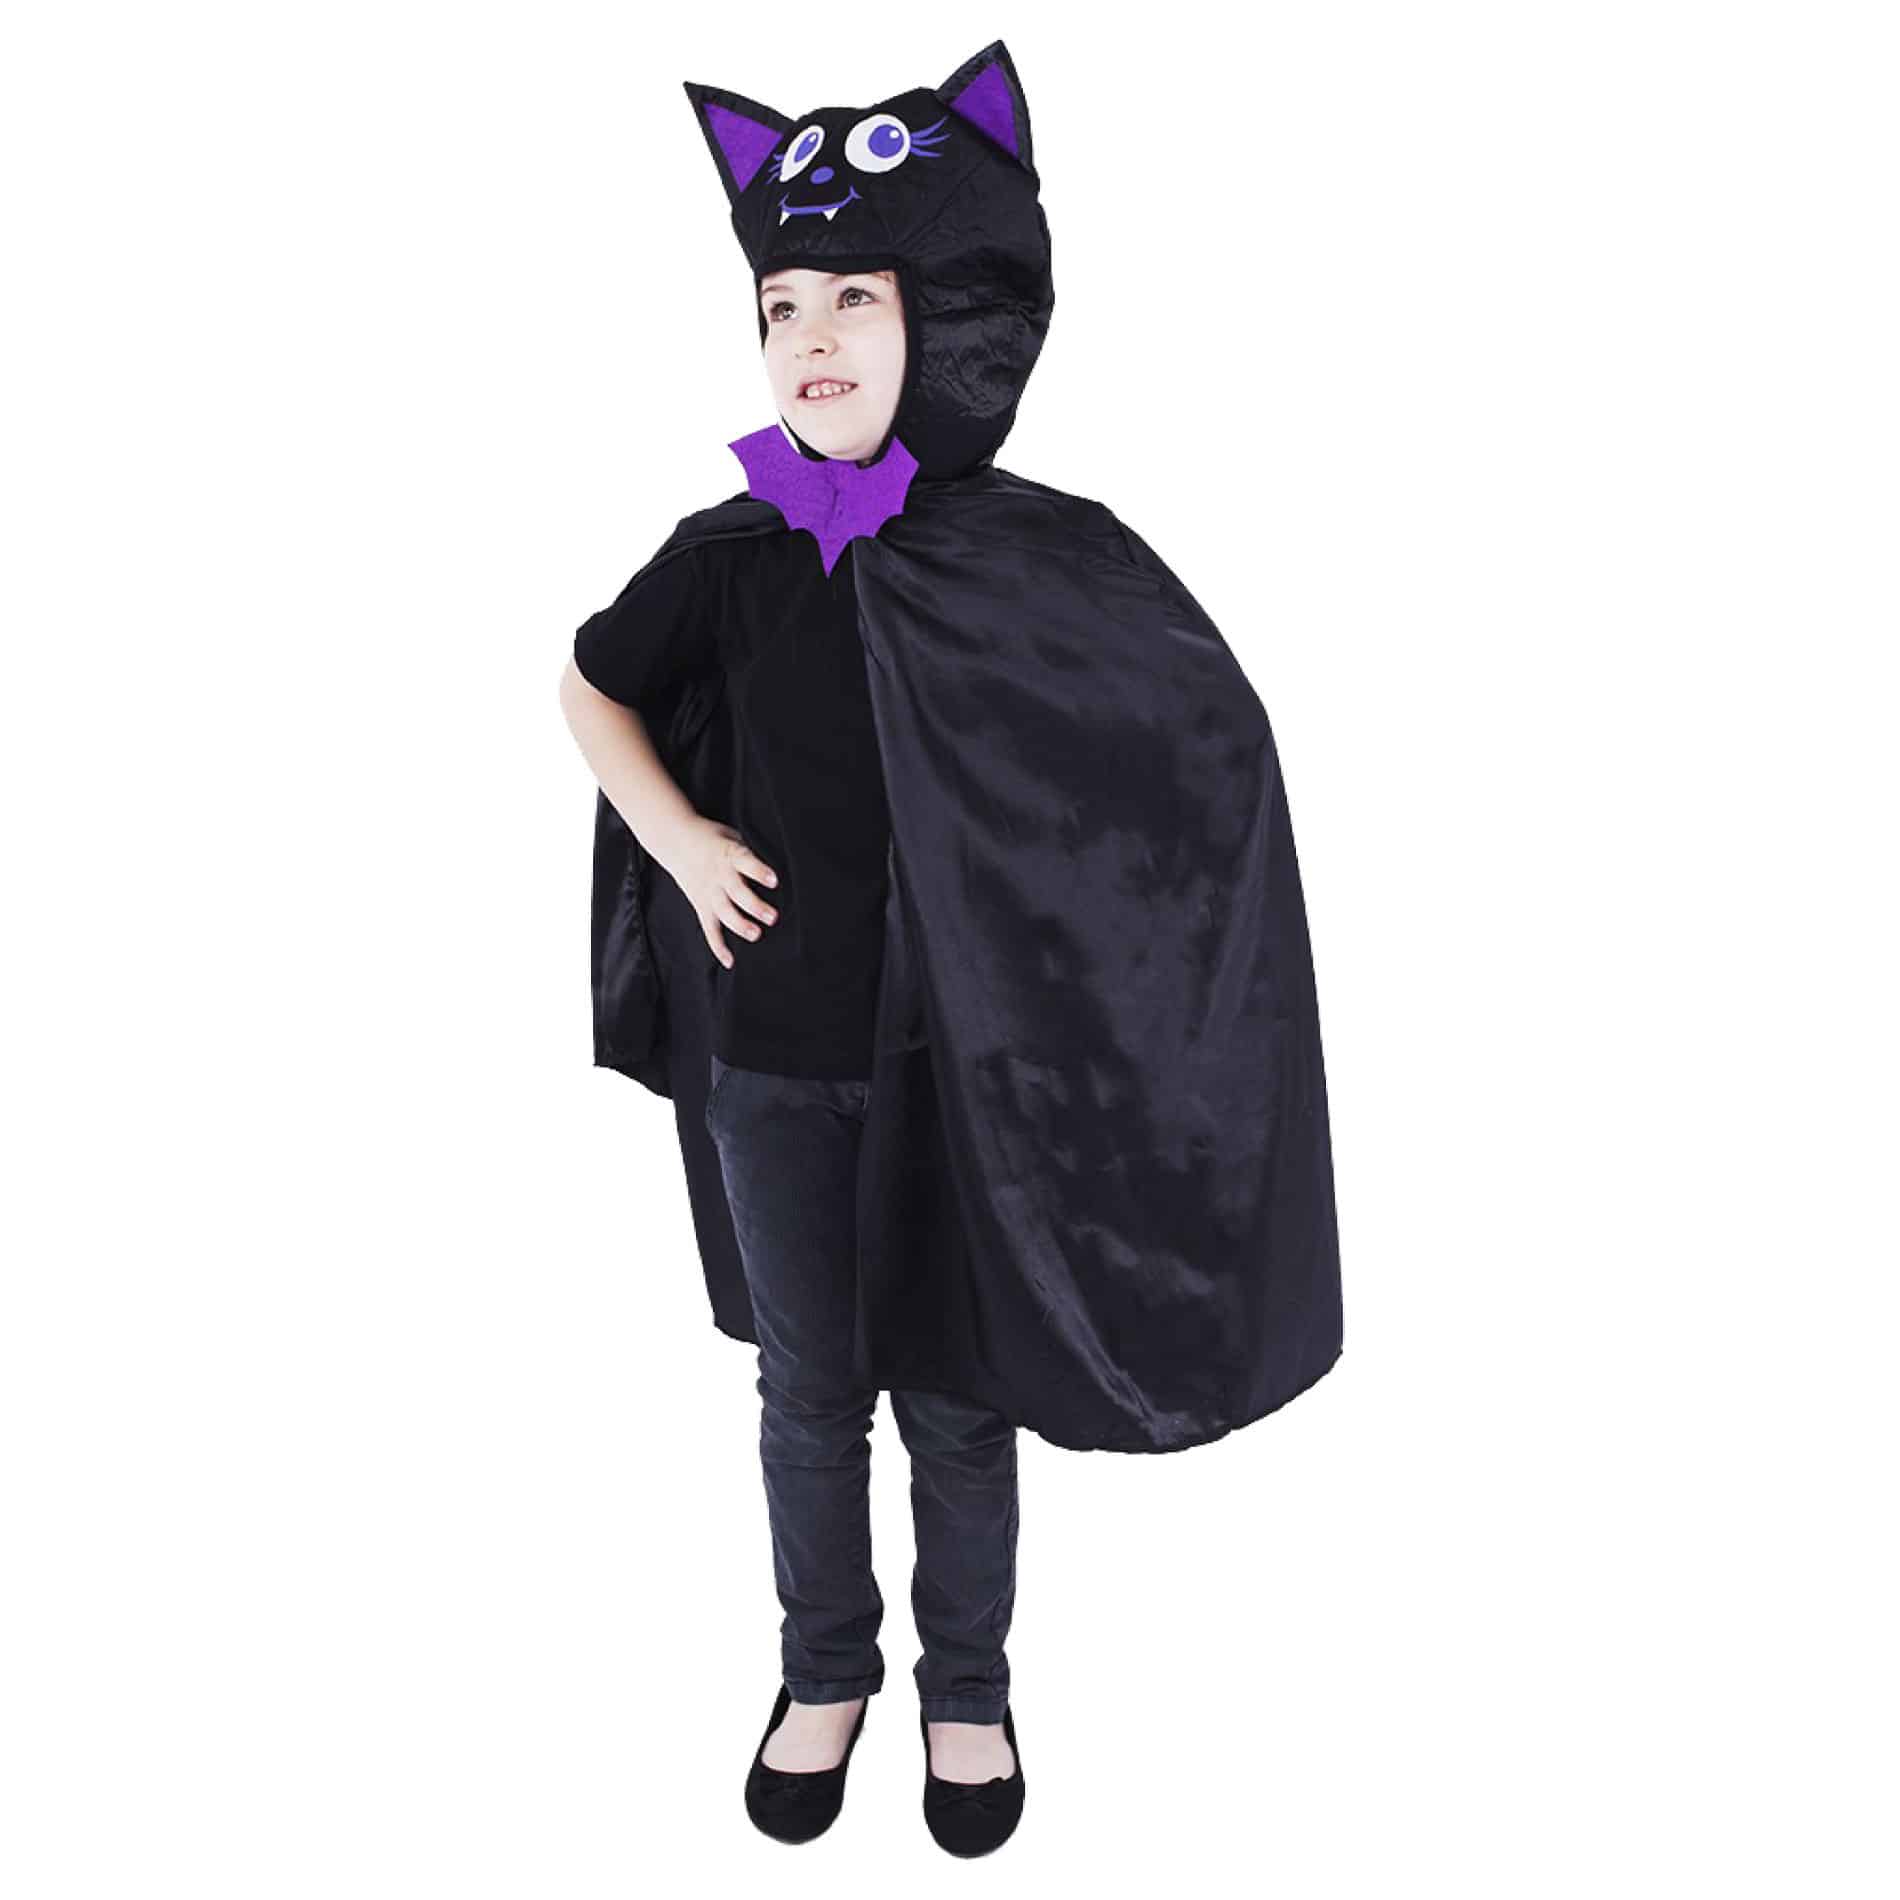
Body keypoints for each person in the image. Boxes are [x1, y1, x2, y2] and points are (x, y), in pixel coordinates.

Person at [558, 259, 1024, 1854]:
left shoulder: (1006, 552)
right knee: (811, 1390)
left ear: (932, 329)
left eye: (854, 303)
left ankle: (970, 1687)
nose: (811, 337)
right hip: (774, 1053)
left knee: (959, 1394)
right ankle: (825, 1670)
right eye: (781, 312)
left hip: (961, 1067)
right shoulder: (731, 552)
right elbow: (593, 685)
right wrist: (681, 843)